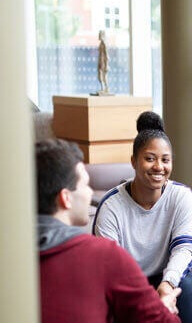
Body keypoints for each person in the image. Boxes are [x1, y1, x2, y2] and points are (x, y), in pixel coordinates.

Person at [36, 138, 181, 323]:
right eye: (85, 185)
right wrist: (164, 311)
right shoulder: (103, 255)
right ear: (66, 198)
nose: (89, 192)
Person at [94, 111, 192, 323]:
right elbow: (110, 265)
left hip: (167, 276)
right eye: (149, 159)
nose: (159, 167)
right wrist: (144, 296)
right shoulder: (111, 205)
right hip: (126, 283)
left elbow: (184, 248)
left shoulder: (181, 197)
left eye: (165, 160)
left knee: (186, 287)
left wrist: (167, 285)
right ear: (134, 161)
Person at [97, 29, 109, 93]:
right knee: (100, 76)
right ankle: (103, 88)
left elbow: (106, 55)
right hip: (100, 61)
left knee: (103, 76)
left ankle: (106, 88)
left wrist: (106, 65)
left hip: (103, 62)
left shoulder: (104, 44)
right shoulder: (101, 43)